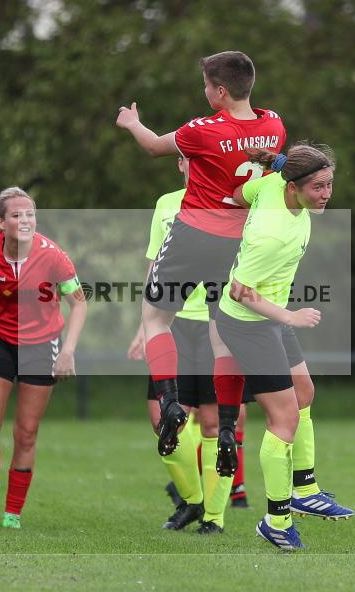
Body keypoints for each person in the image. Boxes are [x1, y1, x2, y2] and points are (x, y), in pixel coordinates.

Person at [116, 51, 286, 472]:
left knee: (155, 318)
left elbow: (156, 147)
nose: (204, 91)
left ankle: (171, 401)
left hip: (194, 235)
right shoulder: (274, 126)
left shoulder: (202, 130)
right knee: (222, 335)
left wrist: (132, 123)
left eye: (207, 85)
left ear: (220, 92)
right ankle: (228, 425)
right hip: (237, 247)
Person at [216, 143, 354, 551]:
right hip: (248, 323)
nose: (326, 194)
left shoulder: (277, 180)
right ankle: (276, 521)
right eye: (318, 187)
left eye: (329, 184)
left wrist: (239, 201)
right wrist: (290, 317)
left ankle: (305, 490)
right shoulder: (270, 234)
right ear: (294, 188)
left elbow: (241, 195)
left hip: (270, 315)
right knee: (284, 419)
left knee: (305, 393)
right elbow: (238, 290)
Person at [0, 187, 87, 529]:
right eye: (16, 215)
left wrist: (67, 350)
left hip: (42, 345)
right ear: (0, 223)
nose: (25, 220)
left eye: (30, 214)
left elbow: (79, 302)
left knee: (26, 433)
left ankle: (12, 513)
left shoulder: (54, 256)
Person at [126, 157, 251, 534]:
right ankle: (191, 500)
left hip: (216, 323)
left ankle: (214, 516)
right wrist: (141, 324)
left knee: (213, 423)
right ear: (181, 164)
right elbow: (154, 265)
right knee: (162, 418)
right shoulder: (166, 203)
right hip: (172, 323)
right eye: (189, 161)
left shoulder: (234, 207)